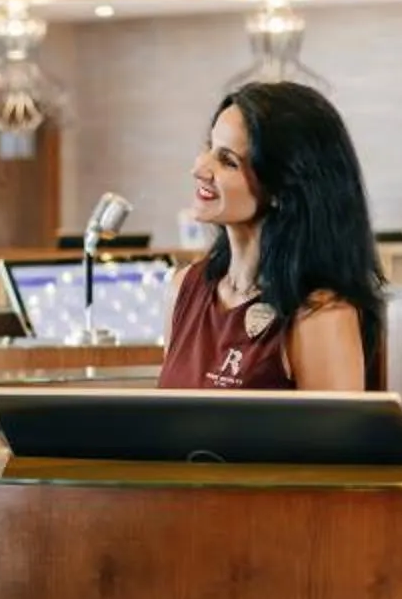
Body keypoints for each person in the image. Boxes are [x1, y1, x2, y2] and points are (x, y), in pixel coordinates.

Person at [160, 80, 387, 393]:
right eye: (208, 148)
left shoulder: (321, 316)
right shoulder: (184, 287)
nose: (200, 169)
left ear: (281, 189)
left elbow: (336, 441)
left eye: (227, 161)